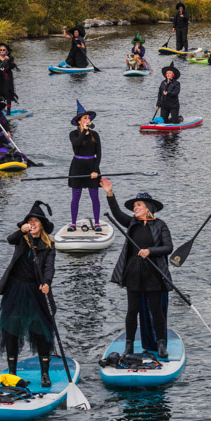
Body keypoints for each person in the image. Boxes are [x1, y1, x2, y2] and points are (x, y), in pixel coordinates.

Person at [101, 179, 173, 358]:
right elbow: (117, 214)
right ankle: (129, 344)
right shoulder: (132, 223)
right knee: (132, 310)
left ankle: (161, 343)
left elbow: (168, 248)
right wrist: (110, 193)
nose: (135, 208)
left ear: (148, 207)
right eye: (134, 206)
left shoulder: (160, 225)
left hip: (154, 273)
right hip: (133, 272)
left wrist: (150, 251)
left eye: (138, 205)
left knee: (156, 310)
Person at [0, 201, 57, 385]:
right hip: (15, 289)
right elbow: (9, 239)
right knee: (11, 328)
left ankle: (45, 373)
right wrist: (22, 230)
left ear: (42, 225)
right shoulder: (21, 239)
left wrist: (47, 283)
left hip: (36, 291)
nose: (33, 224)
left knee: (41, 331)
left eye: (37, 221)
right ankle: (12, 373)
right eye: (31, 221)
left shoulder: (49, 245)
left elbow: (50, 268)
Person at [68, 101, 102, 232]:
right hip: (77, 167)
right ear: (79, 122)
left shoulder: (95, 135)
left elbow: (99, 154)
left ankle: (97, 222)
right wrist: (84, 131)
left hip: (91, 167)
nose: (88, 120)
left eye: (89, 118)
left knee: (94, 196)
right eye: (85, 118)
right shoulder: (73, 134)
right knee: (75, 197)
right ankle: (73, 223)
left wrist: (95, 170)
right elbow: (76, 144)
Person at [0, 43, 18, 114]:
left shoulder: (11, 58)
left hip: (8, 79)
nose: (2, 51)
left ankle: (8, 111)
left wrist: (9, 60)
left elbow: (13, 66)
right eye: (1, 50)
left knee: (8, 94)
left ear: (6, 51)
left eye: (4, 50)